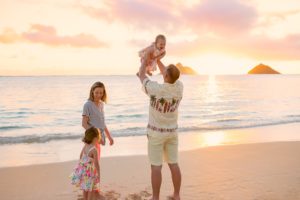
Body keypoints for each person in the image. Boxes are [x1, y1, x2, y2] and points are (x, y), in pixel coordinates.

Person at [137, 54, 183, 200]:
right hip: (172, 133)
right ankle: (176, 195)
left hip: (156, 134)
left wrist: (144, 62)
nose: (163, 72)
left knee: (156, 166)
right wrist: (157, 60)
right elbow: (167, 73)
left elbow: (142, 76)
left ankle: (155, 197)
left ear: (166, 77)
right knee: (173, 164)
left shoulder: (155, 89)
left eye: (165, 72)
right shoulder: (179, 87)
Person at [82, 81, 114, 161]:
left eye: (101, 93)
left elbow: (102, 123)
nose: (99, 95)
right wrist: (95, 135)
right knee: (89, 164)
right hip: (92, 139)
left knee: (96, 162)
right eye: (96, 92)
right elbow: (84, 124)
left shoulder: (101, 104)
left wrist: (109, 137)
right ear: (92, 91)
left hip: (98, 138)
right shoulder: (87, 105)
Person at [70, 127, 101, 200]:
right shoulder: (94, 150)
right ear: (95, 138)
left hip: (83, 171)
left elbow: (80, 156)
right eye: (98, 138)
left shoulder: (85, 145)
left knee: (85, 188)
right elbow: (96, 163)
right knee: (90, 189)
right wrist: (99, 174)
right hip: (90, 173)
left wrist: (83, 165)